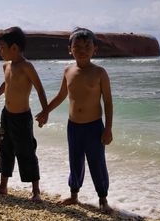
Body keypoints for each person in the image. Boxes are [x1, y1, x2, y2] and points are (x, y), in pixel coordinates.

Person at [35, 27, 114, 214]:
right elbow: (62, 95)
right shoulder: (68, 70)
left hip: (94, 126)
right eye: (77, 46)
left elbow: (108, 102)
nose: (82, 50)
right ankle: (74, 194)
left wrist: (108, 128)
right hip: (73, 126)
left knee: (97, 163)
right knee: (75, 161)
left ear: (95, 49)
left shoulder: (100, 72)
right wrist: (46, 110)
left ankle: (103, 199)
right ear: (70, 50)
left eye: (87, 46)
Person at [0, 27, 48, 201]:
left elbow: (40, 89)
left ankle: (36, 190)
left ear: (14, 48)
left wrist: (45, 111)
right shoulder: (6, 65)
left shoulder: (27, 66)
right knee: (5, 148)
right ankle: (3, 186)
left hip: (22, 117)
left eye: (2, 47)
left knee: (26, 151)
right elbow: (6, 84)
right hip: (7, 115)